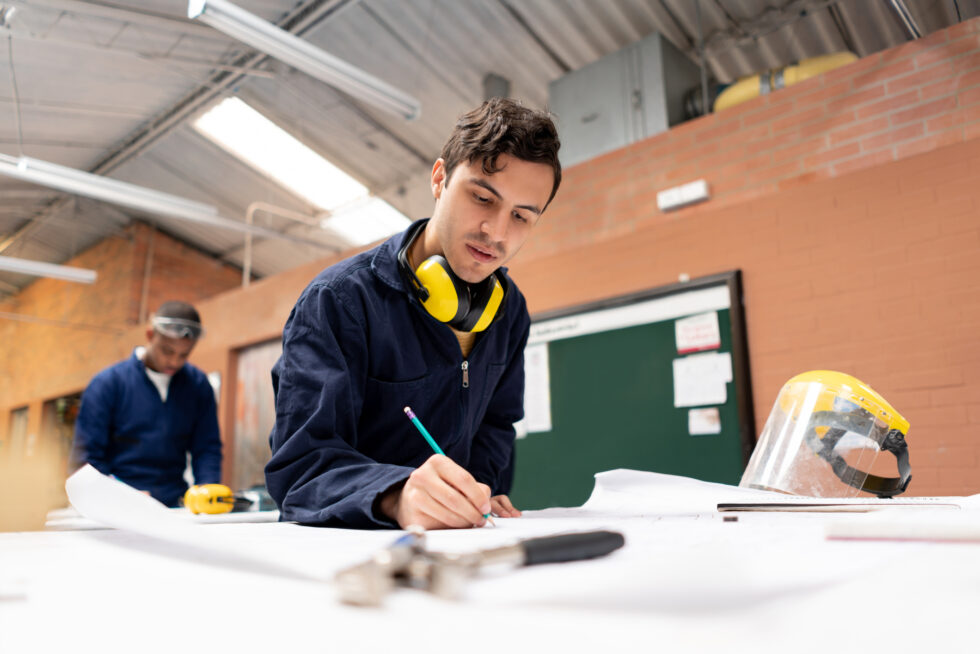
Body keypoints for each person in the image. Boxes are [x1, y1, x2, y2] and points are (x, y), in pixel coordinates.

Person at [266, 98, 562, 529]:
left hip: (457, 543)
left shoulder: (509, 309)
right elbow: (301, 468)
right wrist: (394, 496)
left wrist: (476, 490)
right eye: (482, 197)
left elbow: (496, 424)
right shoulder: (340, 301)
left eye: (521, 216)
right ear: (440, 178)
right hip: (350, 549)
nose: (496, 232)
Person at [70, 301, 223, 507]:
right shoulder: (108, 384)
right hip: (116, 503)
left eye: (184, 355)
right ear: (150, 335)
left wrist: (207, 492)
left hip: (173, 504)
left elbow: (207, 448)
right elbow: (86, 458)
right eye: (167, 351)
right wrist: (117, 495)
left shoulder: (198, 386)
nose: (174, 362)